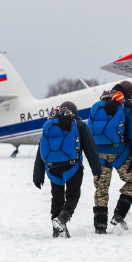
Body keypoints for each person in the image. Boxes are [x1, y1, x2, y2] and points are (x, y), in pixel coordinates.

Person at [33, 101, 102, 238]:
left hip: (52, 168)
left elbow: (40, 152)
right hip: (72, 167)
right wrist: (97, 170)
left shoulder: (50, 124)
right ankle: (61, 220)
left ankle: (56, 230)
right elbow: (90, 149)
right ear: (75, 112)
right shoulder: (78, 124)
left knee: (57, 197)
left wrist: (38, 176)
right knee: (72, 196)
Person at [88, 80, 132, 234]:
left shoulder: (98, 105)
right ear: (130, 93)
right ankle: (119, 215)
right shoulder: (129, 107)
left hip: (99, 155)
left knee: (101, 188)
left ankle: (99, 226)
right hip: (120, 154)